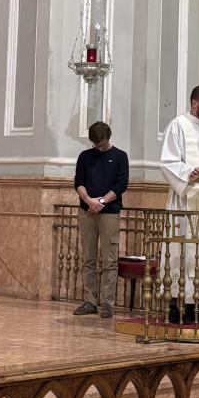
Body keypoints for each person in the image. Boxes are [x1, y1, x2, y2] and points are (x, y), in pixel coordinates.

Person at [159, 85, 199, 322]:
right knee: (183, 250)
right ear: (194, 103)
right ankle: (178, 304)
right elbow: (167, 162)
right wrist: (188, 172)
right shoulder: (178, 125)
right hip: (185, 203)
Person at [72, 121, 130, 319]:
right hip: (87, 211)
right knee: (88, 259)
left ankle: (107, 303)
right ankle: (90, 300)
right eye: (96, 145)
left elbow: (121, 184)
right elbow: (78, 182)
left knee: (109, 260)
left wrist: (102, 201)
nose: (99, 148)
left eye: (102, 145)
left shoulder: (120, 156)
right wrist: (88, 200)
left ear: (109, 138)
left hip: (109, 212)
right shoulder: (85, 157)